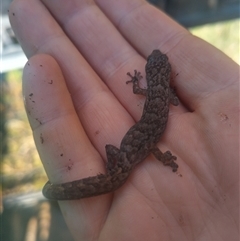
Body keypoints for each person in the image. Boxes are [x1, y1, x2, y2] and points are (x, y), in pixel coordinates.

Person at [9, 1, 239, 240]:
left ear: (150, 72)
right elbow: (173, 103)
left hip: (128, 151)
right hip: (130, 151)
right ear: (166, 74)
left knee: (127, 149)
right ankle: (59, 189)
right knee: (134, 149)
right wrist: (172, 96)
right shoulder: (164, 94)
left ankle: (57, 189)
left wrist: (138, 84)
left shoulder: (149, 92)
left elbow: (139, 94)